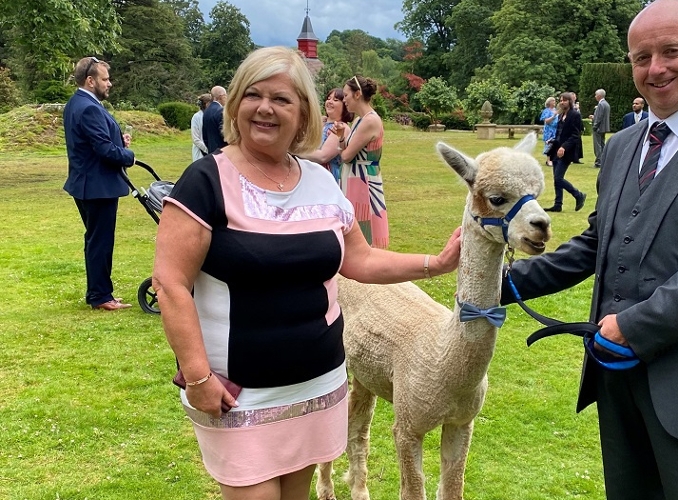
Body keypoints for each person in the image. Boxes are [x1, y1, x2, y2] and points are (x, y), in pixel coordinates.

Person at [501, 0, 678, 498]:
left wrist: (635, 325)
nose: (655, 68)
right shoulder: (622, 145)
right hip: (618, 381)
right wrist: (496, 282)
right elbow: (598, 243)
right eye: (641, 57)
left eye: (671, 51)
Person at [151, 46, 462, 500]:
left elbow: (360, 260)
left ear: (303, 114)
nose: (265, 108)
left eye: (281, 99)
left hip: (317, 384)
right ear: (235, 104)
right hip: (238, 392)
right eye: (253, 95)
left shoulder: (319, 182)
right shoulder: (205, 181)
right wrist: (198, 378)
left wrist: (437, 263)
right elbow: (170, 283)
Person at [63, 56, 136, 311]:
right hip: (97, 186)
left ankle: (99, 292)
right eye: (105, 79)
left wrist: (118, 138)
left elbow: (94, 140)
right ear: (90, 80)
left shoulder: (77, 103)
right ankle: (101, 296)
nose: (110, 84)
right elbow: (104, 150)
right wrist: (129, 156)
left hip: (86, 183)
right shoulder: (90, 107)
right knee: (100, 241)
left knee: (95, 240)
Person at [307, 75, 388, 248]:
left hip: (363, 178)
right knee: (357, 221)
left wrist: (342, 142)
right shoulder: (360, 120)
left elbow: (345, 156)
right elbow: (345, 148)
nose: (344, 100)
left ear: (357, 94)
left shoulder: (370, 120)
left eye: (345, 95)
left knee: (364, 223)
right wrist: (341, 136)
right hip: (355, 175)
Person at [544, 92, 587, 213]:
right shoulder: (561, 114)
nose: (562, 102)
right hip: (556, 150)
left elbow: (575, 135)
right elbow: (560, 132)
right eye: (561, 100)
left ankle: (578, 195)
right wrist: (552, 140)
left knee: (558, 178)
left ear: (570, 102)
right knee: (556, 178)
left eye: (565, 100)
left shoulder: (575, 115)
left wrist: (564, 147)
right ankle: (558, 204)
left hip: (566, 151)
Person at [313, 88, 353, 183]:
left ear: (345, 105)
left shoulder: (341, 127)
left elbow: (323, 156)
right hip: (313, 175)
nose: (330, 102)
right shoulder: (322, 124)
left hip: (327, 177)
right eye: (328, 98)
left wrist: (294, 152)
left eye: (335, 100)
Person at [202, 85, 228, 154]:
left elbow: (205, 136)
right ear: (221, 97)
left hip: (211, 151)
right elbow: (224, 134)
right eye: (225, 96)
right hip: (222, 151)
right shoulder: (221, 111)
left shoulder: (206, 111)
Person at [590, 89, 611, 168]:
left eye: (596, 95)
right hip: (604, 128)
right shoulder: (606, 104)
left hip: (598, 128)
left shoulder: (601, 104)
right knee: (602, 144)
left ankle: (599, 162)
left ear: (599, 96)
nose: (595, 96)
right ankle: (603, 160)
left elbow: (599, 117)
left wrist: (595, 126)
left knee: (597, 145)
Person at [191, 93, 212, 161]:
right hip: (200, 153)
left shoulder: (212, 115)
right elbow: (196, 139)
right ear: (207, 104)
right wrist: (207, 149)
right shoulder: (196, 117)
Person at [540, 96, 559, 165]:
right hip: (549, 130)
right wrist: (553, 116)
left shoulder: (555, 110)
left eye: (554, 101)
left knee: (555, 144)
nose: (554, 102)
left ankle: (554, 159)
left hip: (556, 129)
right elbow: (546, 121)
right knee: (549, 145)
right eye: (553, 101)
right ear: (549, 102)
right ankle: (548, 160)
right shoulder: (546, 111)